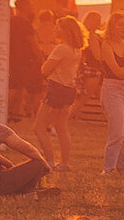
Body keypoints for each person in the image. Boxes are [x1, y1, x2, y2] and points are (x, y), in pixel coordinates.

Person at [90, 11, 124, 174]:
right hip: (112, 89)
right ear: (111, 26)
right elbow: (116, 71)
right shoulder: (106, 45)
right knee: (117, 132)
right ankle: (109, 168)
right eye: (120, 24)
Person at [34, 15, 85, 170]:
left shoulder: (61, 48)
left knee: (39, 127)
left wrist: (47, 55)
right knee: (62, 128)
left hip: (56, 89)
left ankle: (49, 161)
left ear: (65, 31)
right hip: (69, 90)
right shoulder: (77, 49)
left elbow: (45, 70)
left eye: (58, 27)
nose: (55, 29)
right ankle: (64, 163)